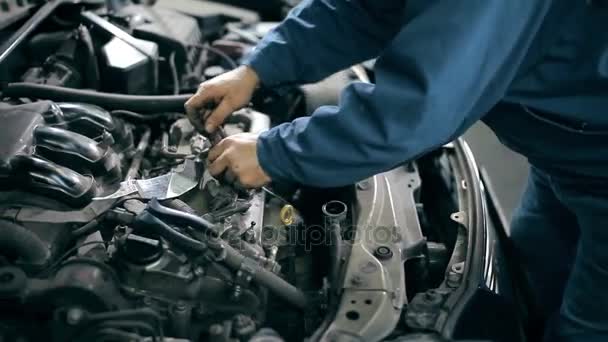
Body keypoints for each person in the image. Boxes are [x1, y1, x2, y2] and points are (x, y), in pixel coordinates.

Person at [185, 1, 608, 340]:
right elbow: (365, 8)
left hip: (593, 153)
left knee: (585, 327)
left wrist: (274, 154)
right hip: (567, 150)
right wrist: (259, 69)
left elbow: (417, 108)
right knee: (531, 284)